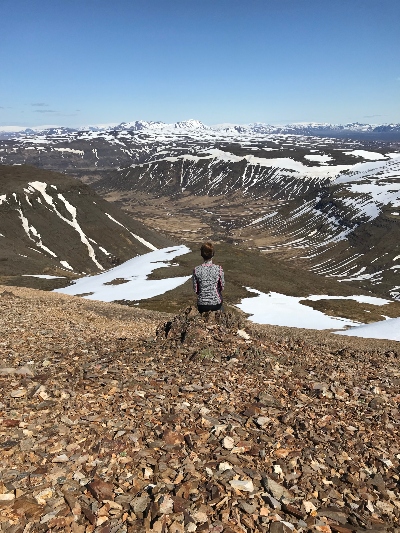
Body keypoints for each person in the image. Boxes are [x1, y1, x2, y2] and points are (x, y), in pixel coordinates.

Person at [192, 242, 225, 313]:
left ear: (201, 254)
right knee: (221, 306)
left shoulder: (196, 270)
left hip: (202, 304)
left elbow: (196, 290)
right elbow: (222, 287)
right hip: (216, 303)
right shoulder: (219, 269)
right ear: (213, 254)